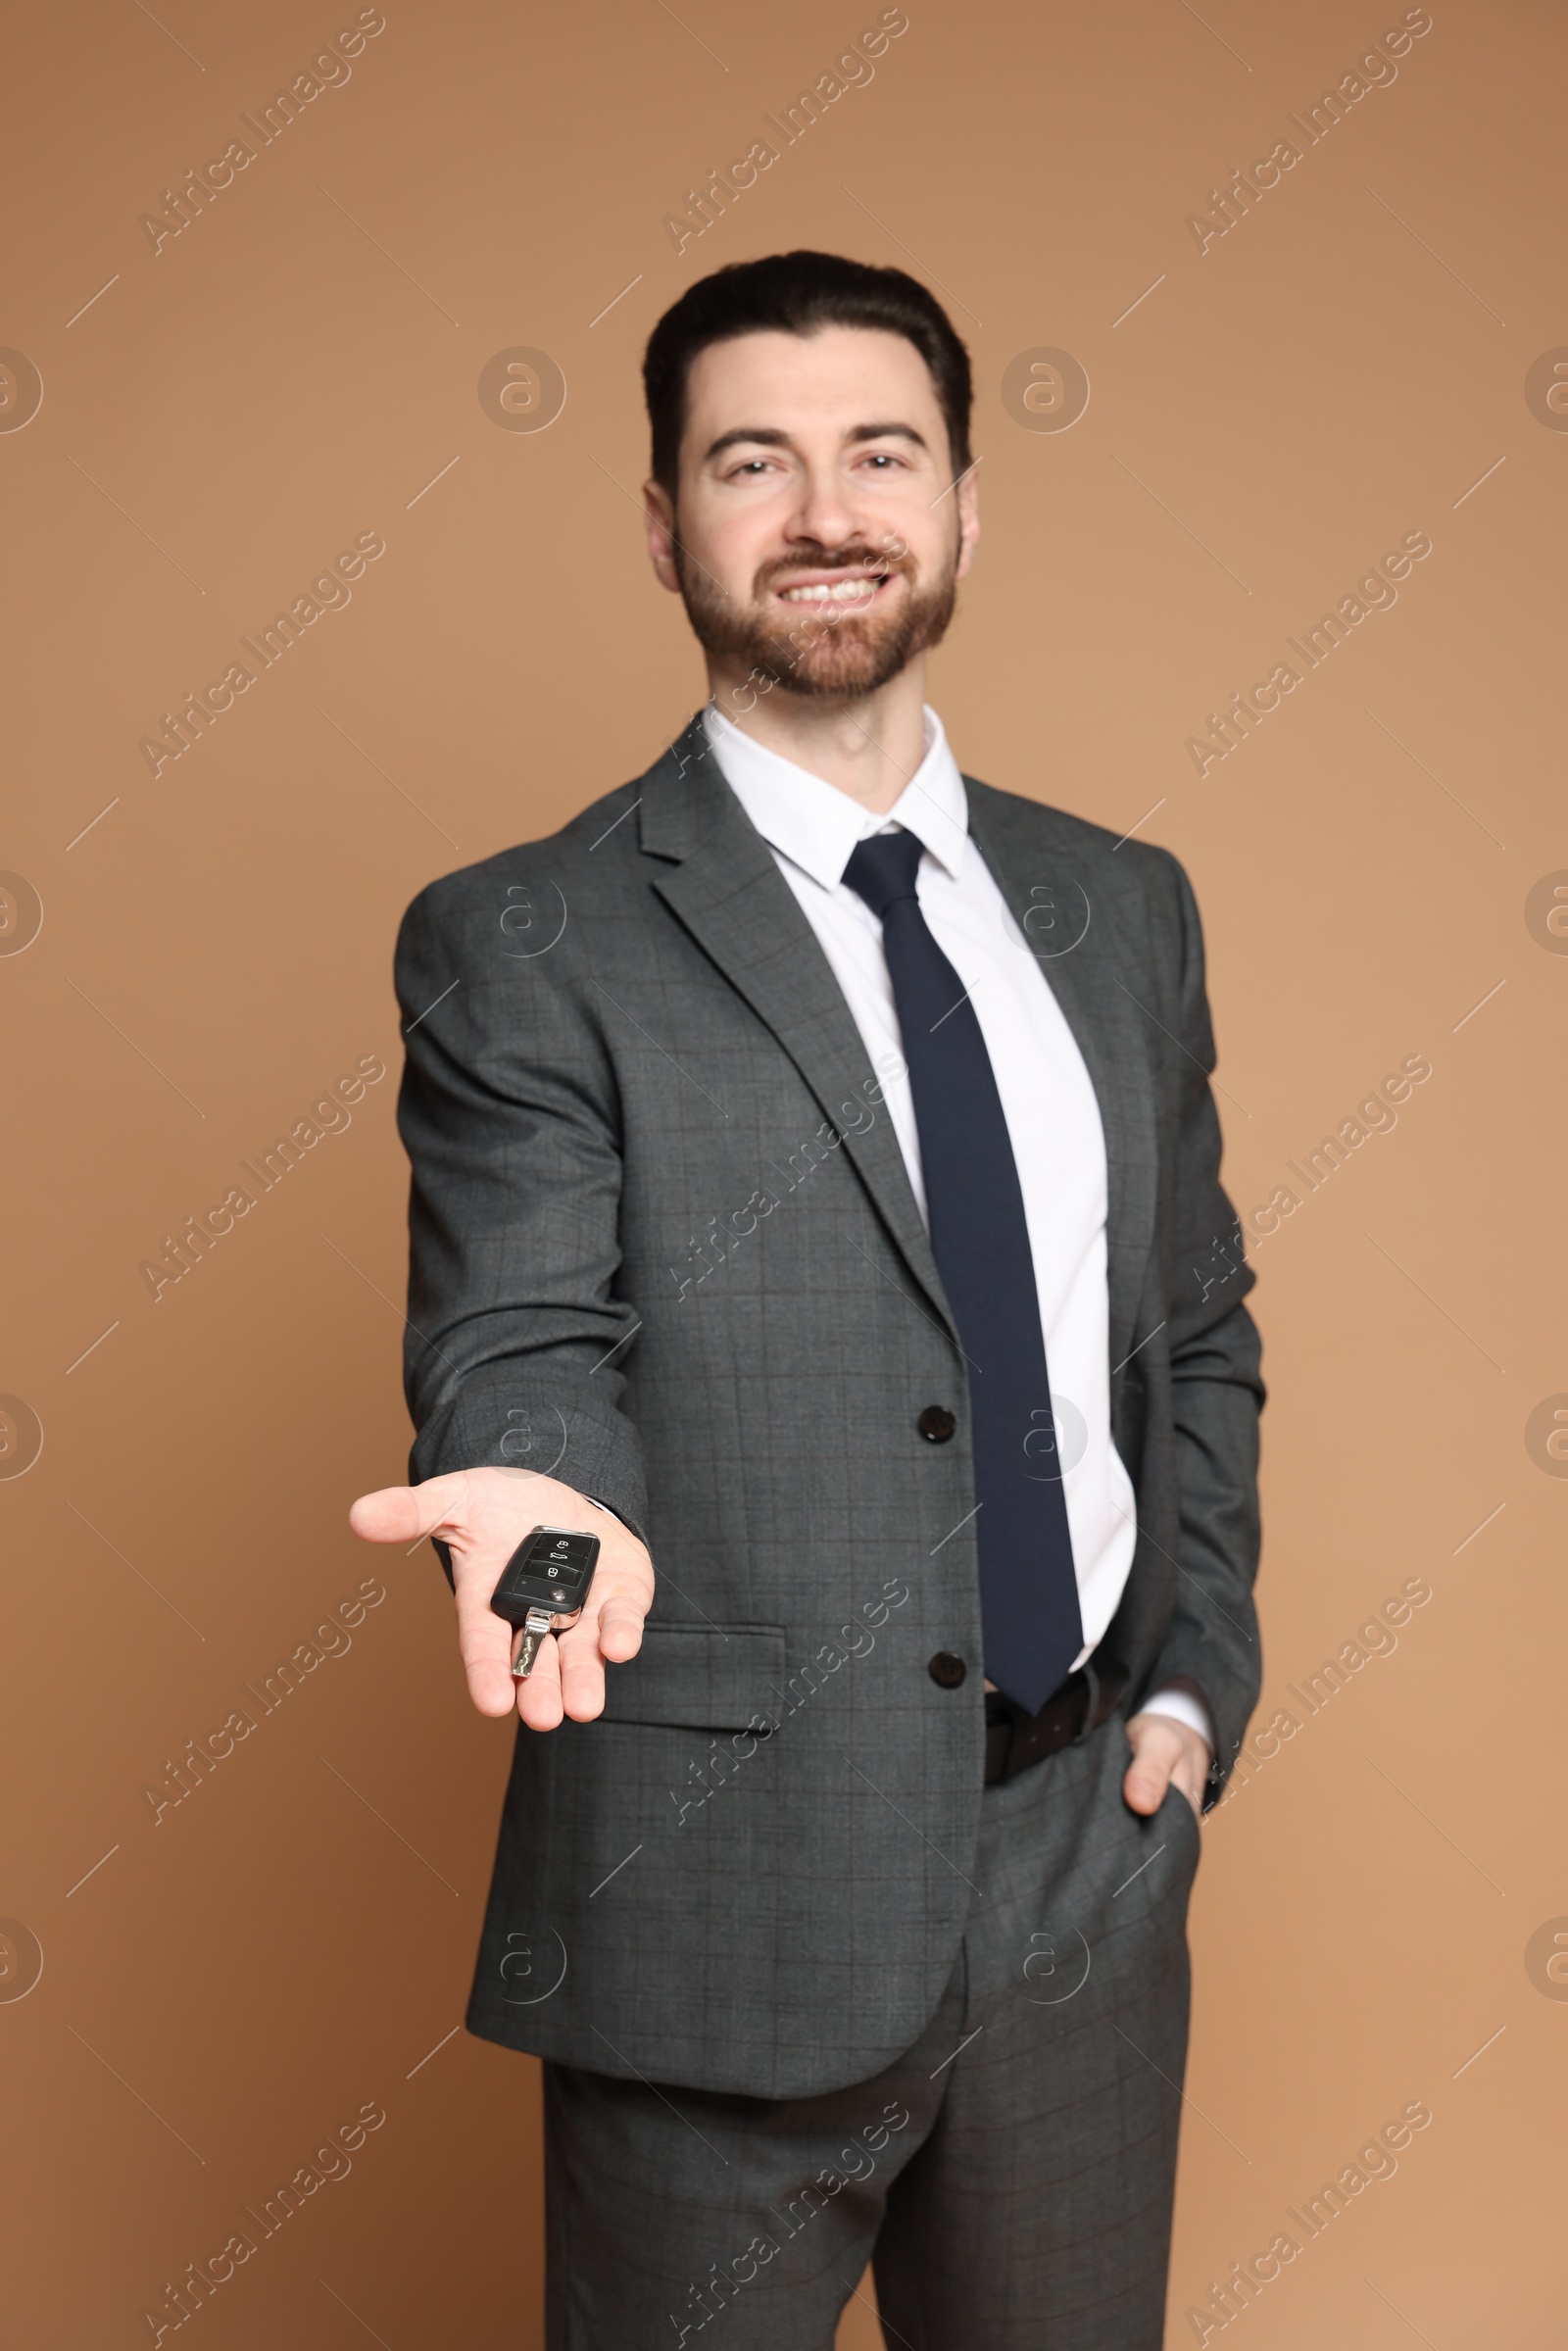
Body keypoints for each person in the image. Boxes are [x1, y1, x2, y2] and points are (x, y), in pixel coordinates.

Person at [351, 249, 1263, 2350]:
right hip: (721, 1892)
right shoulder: (526, 936)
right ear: (664, 526)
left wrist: (1190, 1689)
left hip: (1077, 1870)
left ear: (960, 508)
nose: (824, 509)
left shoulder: (1116, 907)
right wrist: (539, 1523)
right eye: (750, 460)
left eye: (880, 453)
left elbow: (1188, 1332)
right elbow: (521, 1336)